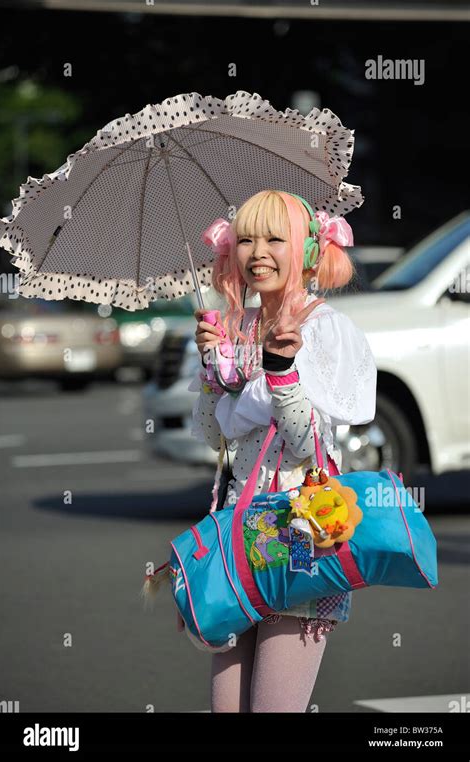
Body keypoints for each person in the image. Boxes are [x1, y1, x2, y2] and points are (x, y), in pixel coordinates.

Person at [189, 189, 377, 712]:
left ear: (307, 250)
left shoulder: (322, 328)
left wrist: (281, 372)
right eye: (246, 239)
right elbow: (215, 437)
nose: (257, 252)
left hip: (302, 532)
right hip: (238, 531)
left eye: (275, 238)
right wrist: (212, 371)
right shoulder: (235, 327)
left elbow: (309, 447)